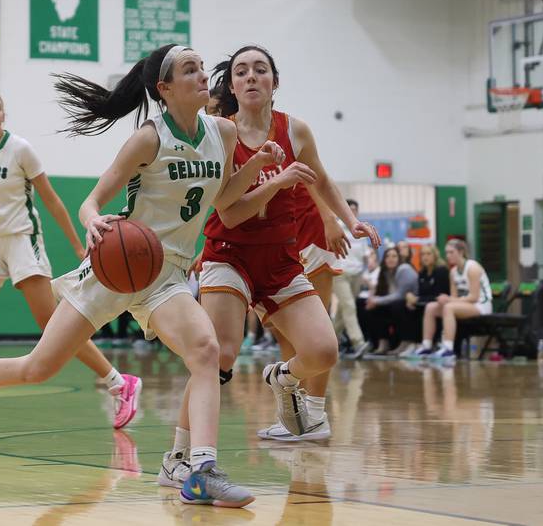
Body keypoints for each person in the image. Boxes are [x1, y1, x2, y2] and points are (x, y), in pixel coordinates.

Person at [0, 44, 268, 508]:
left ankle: (196, 469)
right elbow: (91, 201)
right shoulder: (148, 139)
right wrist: (92, 221)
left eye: (202, 67)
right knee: (38, 367)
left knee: (207, 352)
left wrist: (256, 168)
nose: (202, 75)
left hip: (167, 274)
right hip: (116, 267)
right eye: (189, 70)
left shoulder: (223, 133)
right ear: (165, 89)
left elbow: (223, 200)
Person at [157, 46, 378, 484]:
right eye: (241, 71)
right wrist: (278, 180)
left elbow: (321, 178)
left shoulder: (296, 130)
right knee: (219, 354)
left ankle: (282, 377)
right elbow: (229, 212)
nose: (251, 77)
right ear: (232, 85)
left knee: (323, 351)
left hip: (281, 259)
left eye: (261, 70)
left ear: (275, 82)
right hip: (230, 255)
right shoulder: (220, 132)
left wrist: (349, 220)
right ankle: (178, 456)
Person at [0, 89, 142, 433]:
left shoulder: (20, 149)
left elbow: (51, 199)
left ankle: (119, 382)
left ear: (3, 115)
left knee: (52, 324)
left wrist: (77, 246)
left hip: (23, 241)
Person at [416, 239, 492, 359]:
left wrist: (449, 300)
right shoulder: (453, 272)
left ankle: (448, 348)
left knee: (449, 307)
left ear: (461, 252)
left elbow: (474, 297)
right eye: (446, 253)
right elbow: (454, 297)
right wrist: (446, 299)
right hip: (465, 305)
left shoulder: (472, 268)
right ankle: (426, 346)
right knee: (431, 307)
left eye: (451, 252)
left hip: (481, 305)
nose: (448, 256)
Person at [332, 199, 371, 357]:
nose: (353, 212)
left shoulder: (360, 229)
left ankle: (330, 341)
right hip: (340, 273)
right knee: (349, 306)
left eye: (355, 209)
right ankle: (358, 342)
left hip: (357, 274)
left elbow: (366, 255)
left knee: (343, 310)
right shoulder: (336, 226)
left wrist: (366, 274)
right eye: (350, 209)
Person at [364, 247, 419, 356]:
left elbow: (400, 295)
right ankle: (382, 343)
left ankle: (406, 342)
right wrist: (374, 300)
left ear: (399, 258)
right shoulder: (384, 273)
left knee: (395, 306)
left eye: (394, 256)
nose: (391, 259)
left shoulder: (404, 269)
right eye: (388, 256)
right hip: (397, 304)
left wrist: (376, 300)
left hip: (413, 304)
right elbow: (384, 295)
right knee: (372, 308)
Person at [402, 244, 449, 357]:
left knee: (423, 309)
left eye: (428, 254)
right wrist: (410, 298)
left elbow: (440, 295)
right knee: (403, 307)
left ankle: (424, 344)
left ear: (435, 256)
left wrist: (417, 299)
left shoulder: (441, 271)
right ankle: (410, 343)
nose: (425, 257)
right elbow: (421, 294)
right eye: (423, 254)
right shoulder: (422, 273)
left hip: (441, 305)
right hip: (426, 303)